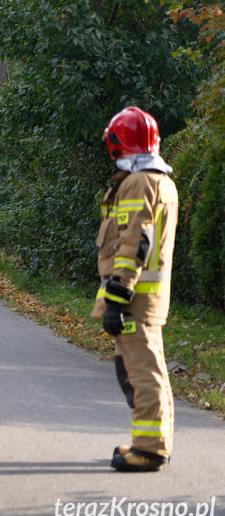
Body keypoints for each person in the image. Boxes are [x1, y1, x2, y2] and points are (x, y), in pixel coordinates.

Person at [93, 106, 178, 472]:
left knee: (142, 374)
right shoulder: (160, 180)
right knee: (146, 369)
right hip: (146, 298)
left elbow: (133, 244)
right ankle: (154, 443)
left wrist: (116, 298)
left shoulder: (138, 182)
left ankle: (148, 451)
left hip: (134, 300)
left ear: (118, 143)